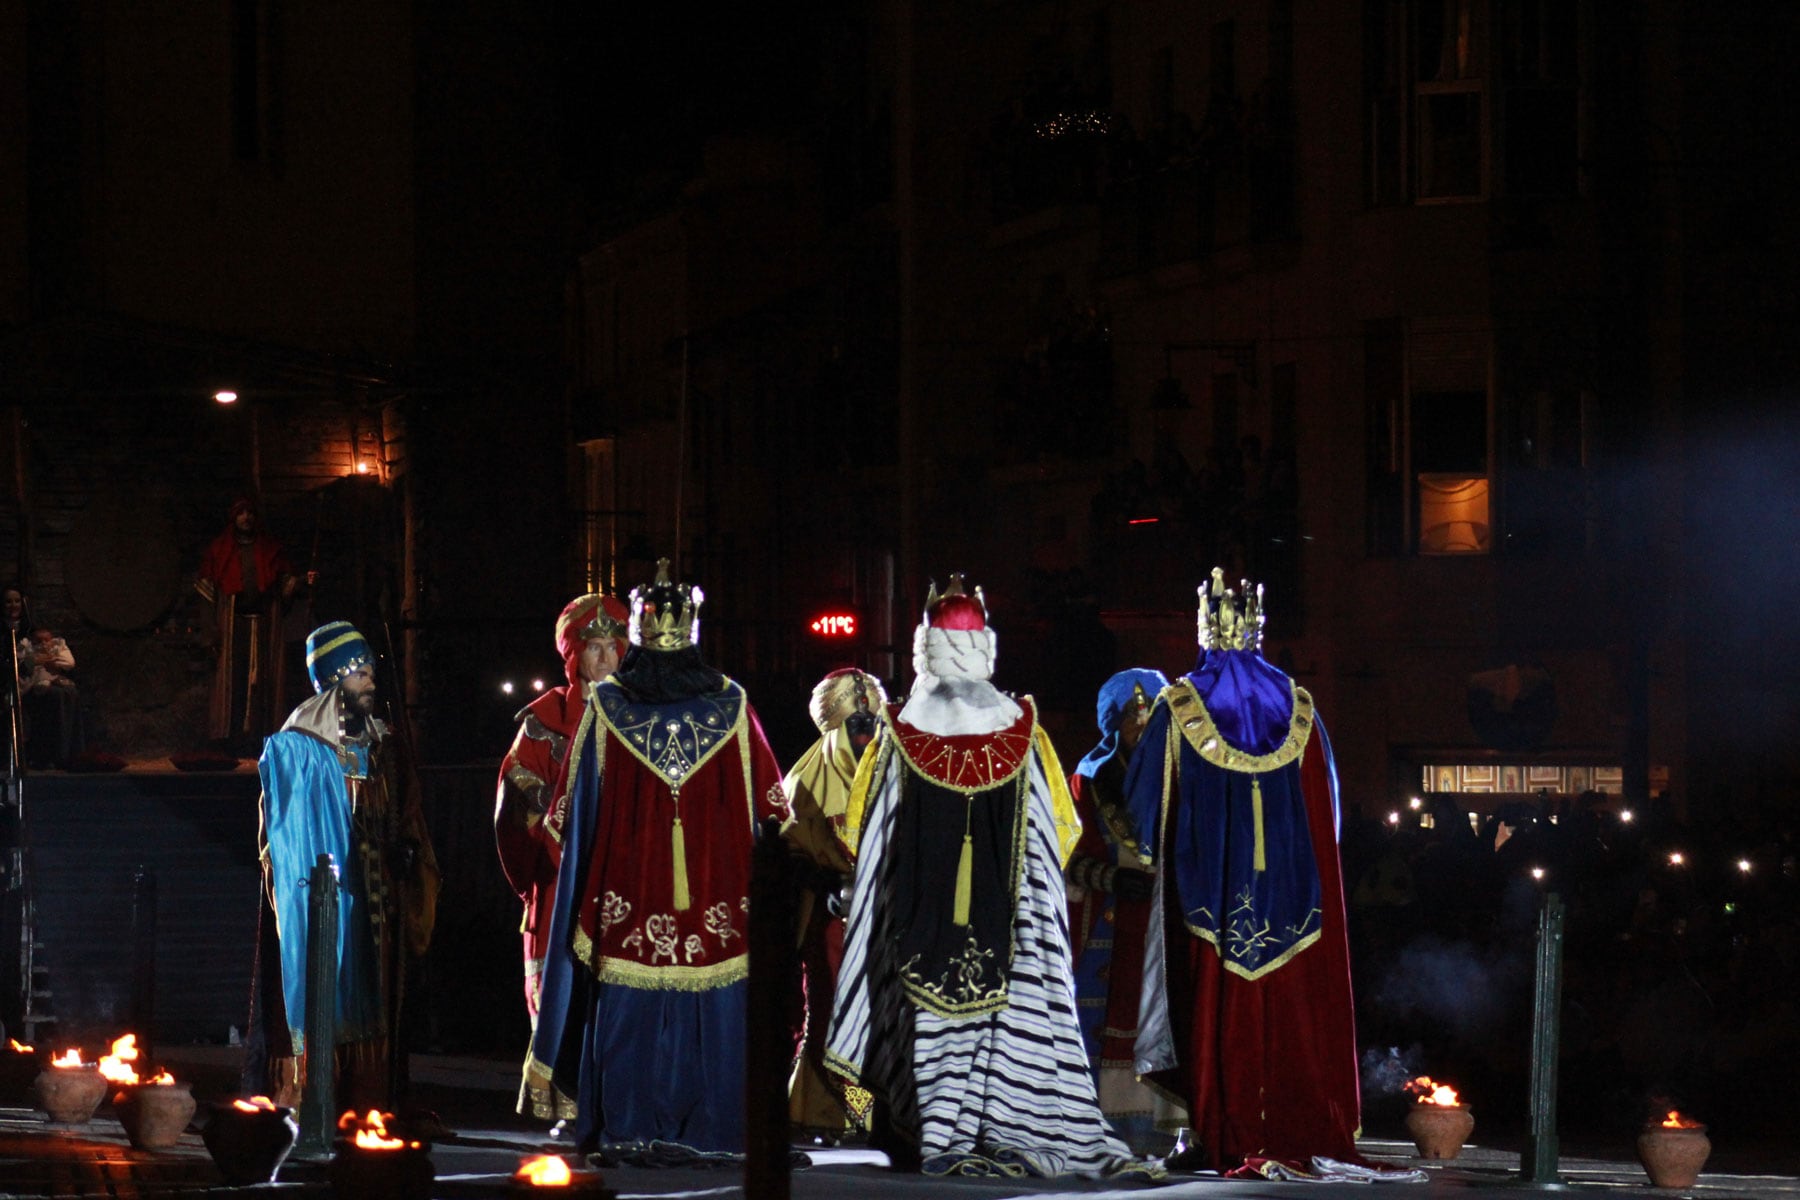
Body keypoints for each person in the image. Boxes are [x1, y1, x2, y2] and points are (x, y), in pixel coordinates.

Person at [824, 577, 1145, 1179]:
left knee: (924, 1018)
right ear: (983, 649)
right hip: (1013, 934)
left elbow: (867, 836)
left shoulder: (898, 733)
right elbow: (1058, 831)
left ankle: (935, 1126)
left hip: (920, 927)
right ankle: (1007, 1120)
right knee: (1009, 1015)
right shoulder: (1025, 733)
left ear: (927, 648)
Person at [528, 560, 786, 1152]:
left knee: (628, 1008)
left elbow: (570, 815)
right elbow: (772, 810)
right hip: (718, 896)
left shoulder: (608, 706)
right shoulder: (734, 705)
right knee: (715, 1012)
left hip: (629, 892)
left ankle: (628, 1126)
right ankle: (716, 1128)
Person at [1120, 569, 1360, 1172]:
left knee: (1206, 1006)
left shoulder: (1180, 706)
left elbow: (1143, 807)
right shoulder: (1301, 707)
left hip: (1211, 894)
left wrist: (1146, 848)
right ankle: (1289, 1121)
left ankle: (1209, 1129)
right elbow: (1327, 814)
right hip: (1292, 895)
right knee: (1287, 1009)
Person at [245, 621, 439, 1112]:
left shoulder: (385, 746)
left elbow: (407, 815)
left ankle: (370, 1103)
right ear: (332, 681)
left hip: (376, 901)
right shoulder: (298, 749)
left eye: (371, 671)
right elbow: (283, 835)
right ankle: (312, 1102)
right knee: (324, 987)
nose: (370, 682)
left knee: (374, 998)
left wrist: (406, 853)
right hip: (325, 901)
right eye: (357, 674)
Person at [494, 592, 629, 1123]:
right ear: (573, 655)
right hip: (562, 875)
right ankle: (564, 1099)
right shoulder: (545, 719)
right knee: (562, 986)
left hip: (621, 875)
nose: (605, 659)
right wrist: (556, 833)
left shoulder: (640, 718)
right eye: (593, 648)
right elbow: (517, 786)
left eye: (613, 647)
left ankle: (618, 1098)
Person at [1065, 667, 1182, 1152]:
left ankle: (1166, 1128)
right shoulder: (1086, 783)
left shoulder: (1181, 777)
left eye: (1151, 718)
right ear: (1113, 725)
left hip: (1161, 923)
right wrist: (1111, 878)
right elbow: (1067, 858)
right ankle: (1096, 1127)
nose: (1141, 729)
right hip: (1106, 926)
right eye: (1132, 720)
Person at [781, 667, 886, 1139]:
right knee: (833, 1009)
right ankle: (830, 1109)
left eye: (872, 723)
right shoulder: (803, 782)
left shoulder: (894, 771)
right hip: (833, 919)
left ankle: (877, 1111)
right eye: (856, 725)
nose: (866, 735)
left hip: (886, 914)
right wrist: (822, 879)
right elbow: (784, 854)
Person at [195, 498, 308, 751]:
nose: (246, 518)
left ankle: (260, 737)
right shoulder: (220, 550)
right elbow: (207, 593)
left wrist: (300, 583)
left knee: (263, 682)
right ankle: (230, 738)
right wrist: (209, 632)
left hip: (265, 625)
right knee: (233, 682)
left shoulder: (269, 550)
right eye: (241, 513)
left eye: (250, 513)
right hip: (232, 626)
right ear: (233, 517)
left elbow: (283, 584)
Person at [18, 626, 78, 769]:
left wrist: (53, 663)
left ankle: (65, 751)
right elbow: (26, 664)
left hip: (55, 679)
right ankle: (46, 753)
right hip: (35, 684)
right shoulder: (28, 648)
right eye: (39, 641)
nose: (44, 644)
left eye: (47, 640)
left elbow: (68, 663)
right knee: (53, 696)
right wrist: (39, 662)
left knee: (68, 692)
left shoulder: (58, 648)